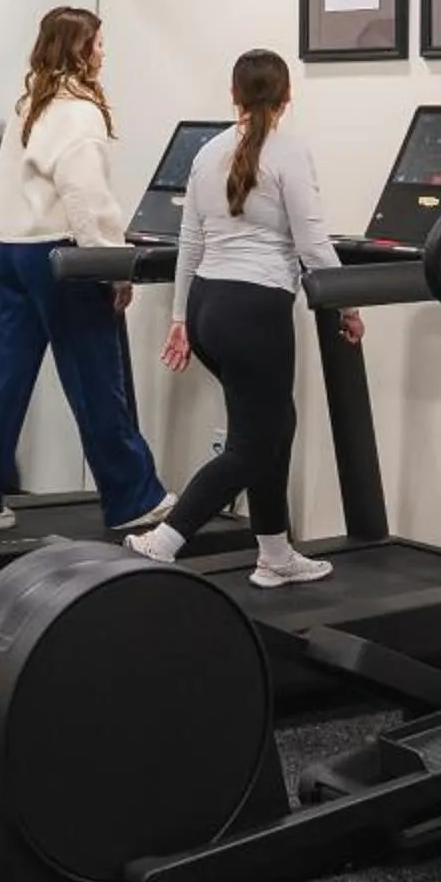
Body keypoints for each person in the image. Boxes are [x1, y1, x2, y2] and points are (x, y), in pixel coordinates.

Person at [0, 7, 171, 536]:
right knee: (95, 377)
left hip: (14, 252)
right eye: (97, 44)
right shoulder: (79, 111)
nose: (102, 53)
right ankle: (132, 495)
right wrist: (113, 266)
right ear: (77, 48)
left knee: (1, 379)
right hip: (63, 256)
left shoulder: (31, 102)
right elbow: (85, 195)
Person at [125, 49, 345, 588]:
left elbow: (191, 241)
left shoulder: (207, 151)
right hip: (255, 311)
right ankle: (166, 539)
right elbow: (313, 241)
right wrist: (348, 303)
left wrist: (180, 317)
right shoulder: (289, 153)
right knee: (255, 444)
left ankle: (274, 553)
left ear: (234, 96)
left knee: (274, 426)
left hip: (208, 309)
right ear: (287, 97)